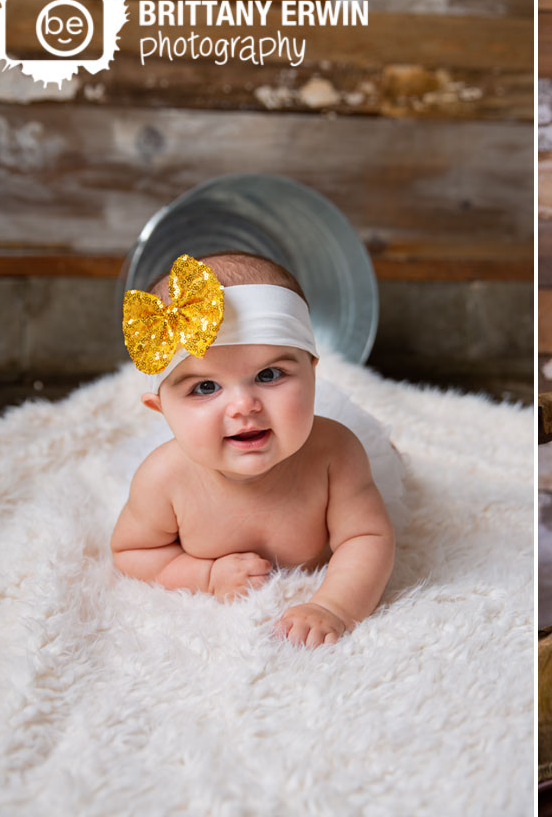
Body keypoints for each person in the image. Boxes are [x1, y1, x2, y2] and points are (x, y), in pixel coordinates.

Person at [111, 252, 396, 647]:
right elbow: (132, 551)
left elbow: (367, 537)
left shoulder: (336, 454)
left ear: (312, 374)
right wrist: (204, 576)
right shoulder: (164, 480)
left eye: (269, 375)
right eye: (205, 387)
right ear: (161, 410)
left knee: (387, 469)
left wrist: (334, 607)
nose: (243, 405)